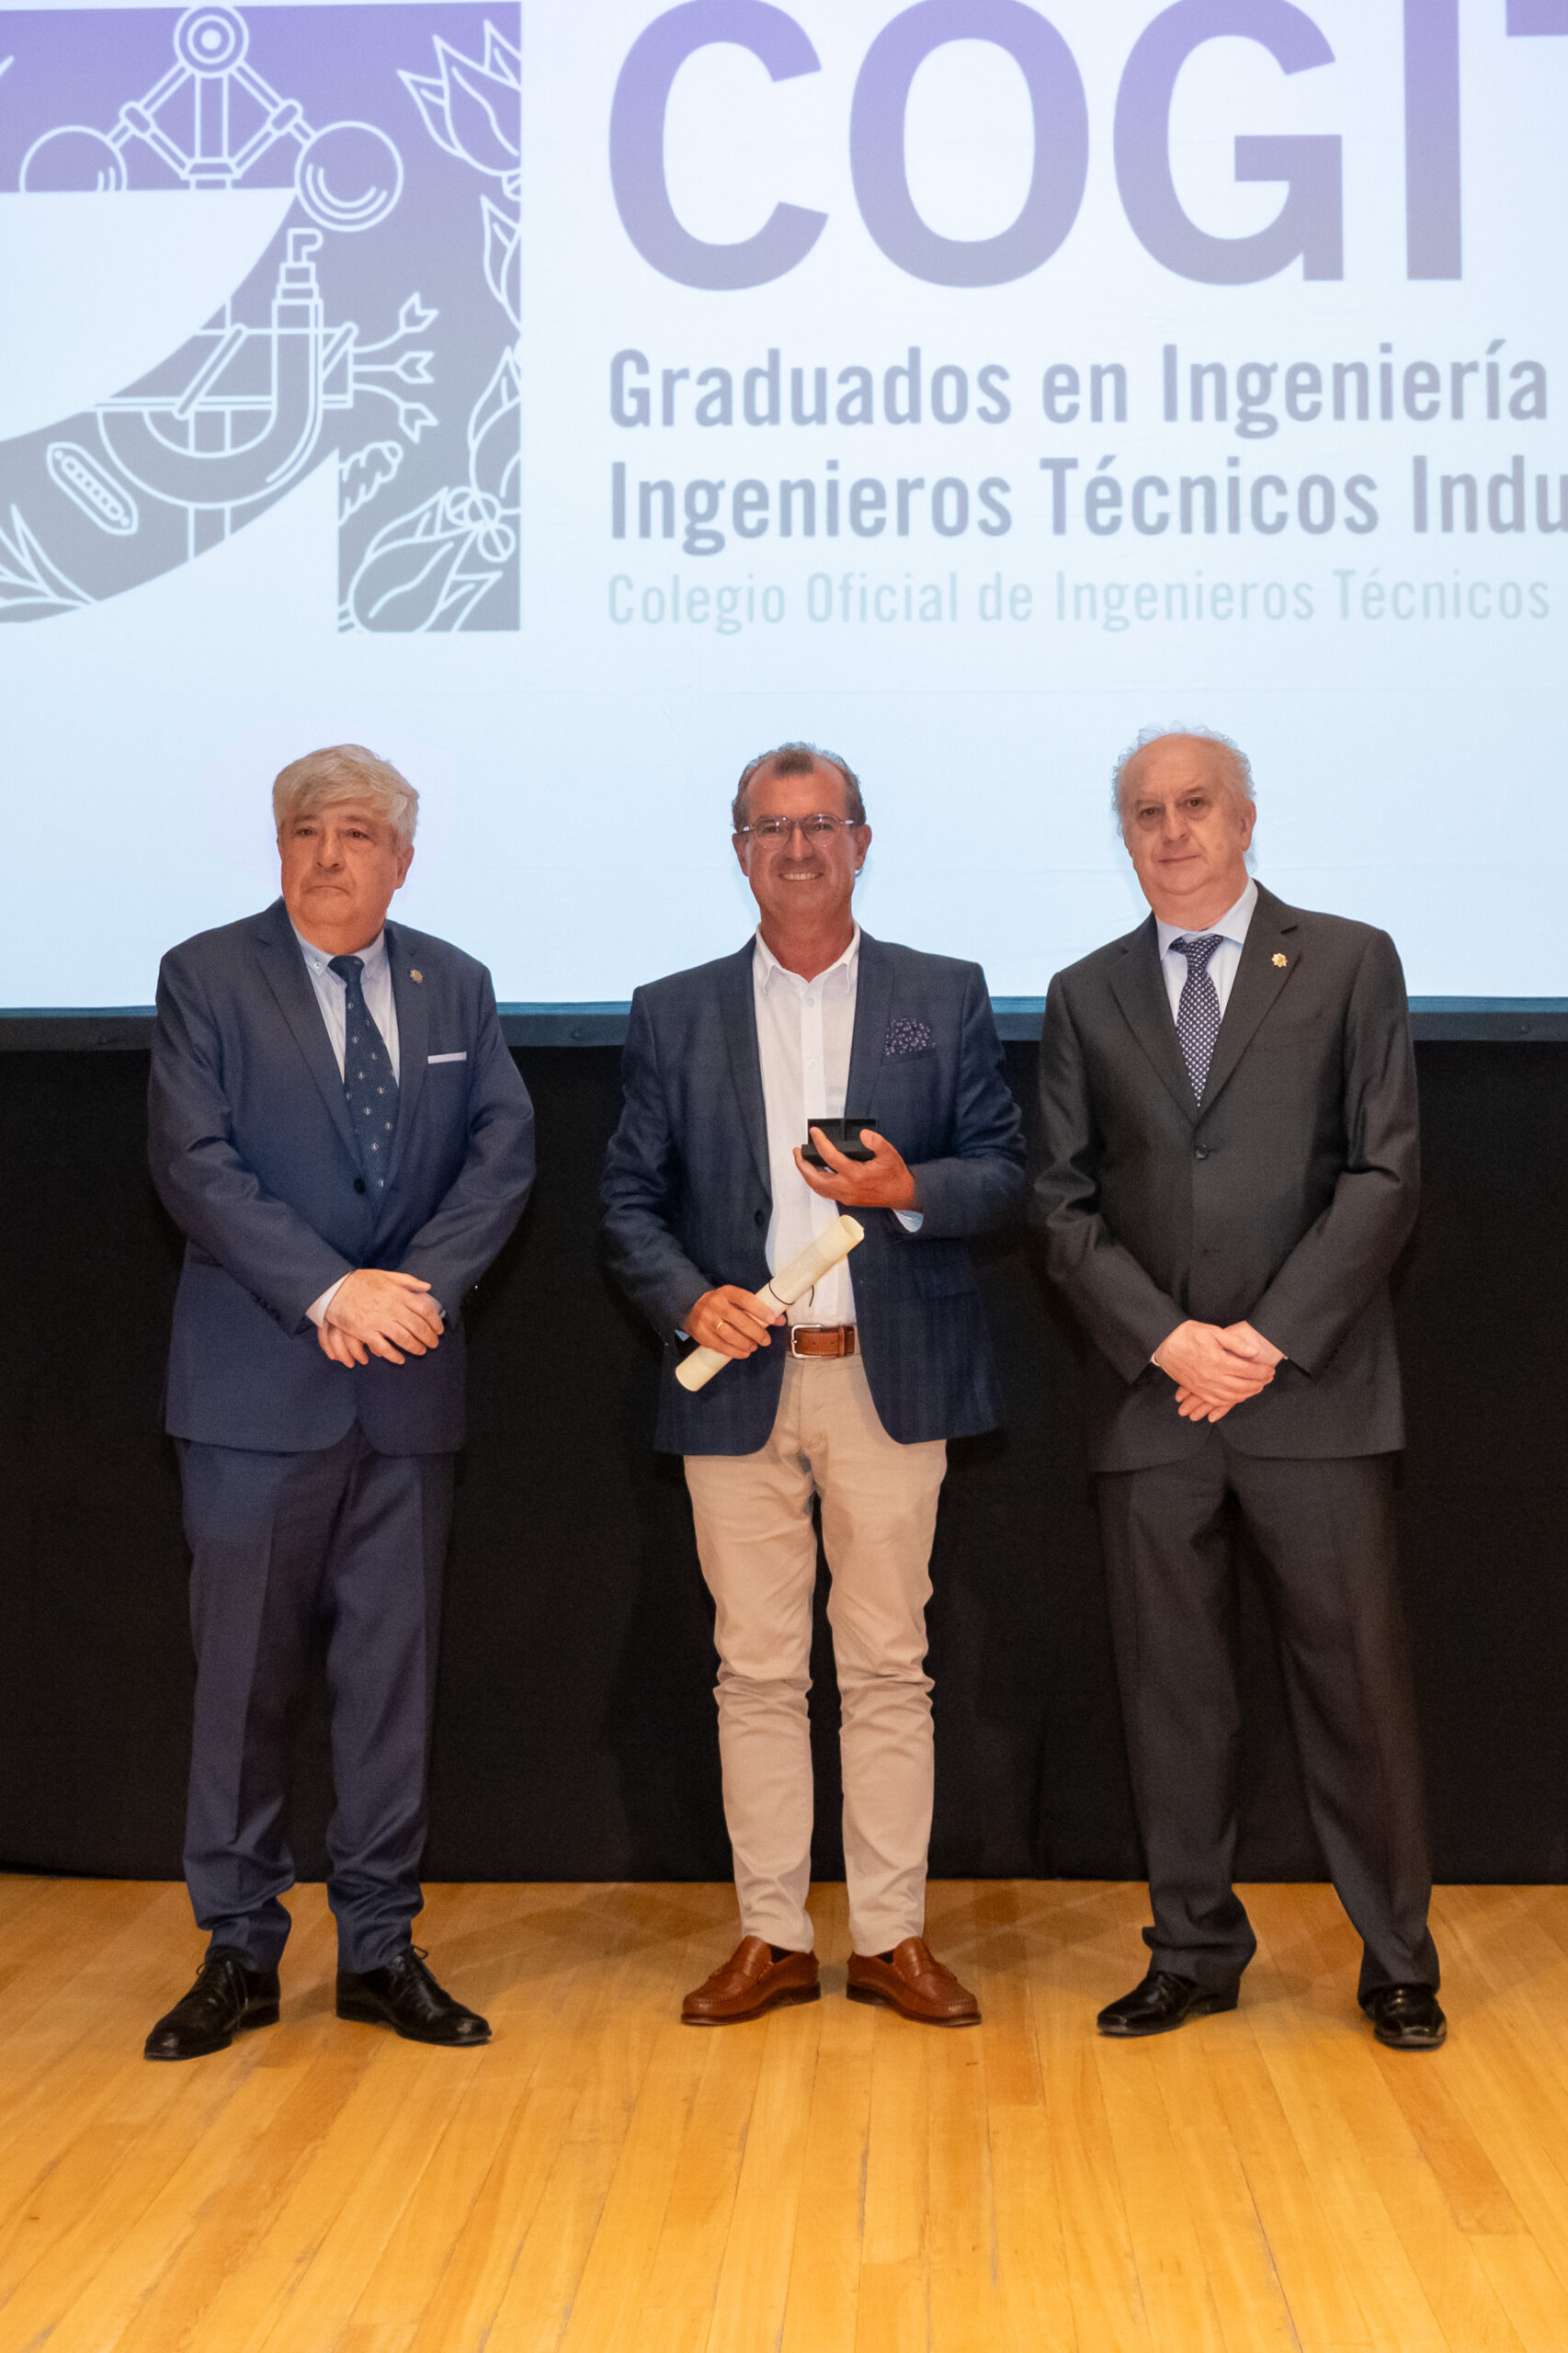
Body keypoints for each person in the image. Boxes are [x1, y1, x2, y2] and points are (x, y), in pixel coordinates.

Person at [1032, 725, 1443, 2051]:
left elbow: (1384, 1174)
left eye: (1195, 804)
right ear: (1125, 835)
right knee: (1173, 1699)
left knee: (1355, 1692)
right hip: (1154, 1404)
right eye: (1145, 812)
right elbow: (1060, 1204)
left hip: (1312, 1393)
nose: (1172, 830)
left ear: (1246, 816)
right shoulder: (1084, 993)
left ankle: (1396, 1960)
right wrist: (1169, 1342)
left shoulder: (1349, 960)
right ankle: (1194, 1950)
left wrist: (1264, 1339)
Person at [602, 743, 1026, 2027]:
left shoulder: (939, 993)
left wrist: (909, 1188)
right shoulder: (672, 1010)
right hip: (735, 1381)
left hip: (885, 1379)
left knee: (890, 1666)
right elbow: (627, 1202)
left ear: (861, 841)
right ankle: (772, 1937)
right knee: (754, 1672)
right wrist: (689, 1297)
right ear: (739, 852)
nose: (797, 849)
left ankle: (892, 1938)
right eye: (771, 829)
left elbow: (1004, 1173)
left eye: (821, 824)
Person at [143, 745, 535, 2060]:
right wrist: (331, 1292)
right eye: (306, 830)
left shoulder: (454, 983)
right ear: (278, 848)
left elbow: (501, 1153)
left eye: (358, 833)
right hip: (255, 1394)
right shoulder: (206, 976)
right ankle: (238, 1952)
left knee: (389, 1687)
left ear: (401, 860)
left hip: (407, 1394)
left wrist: (415, 1290)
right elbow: (194, 1165)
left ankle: (378, 1948)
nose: (328, 855)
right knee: (241, 1688)